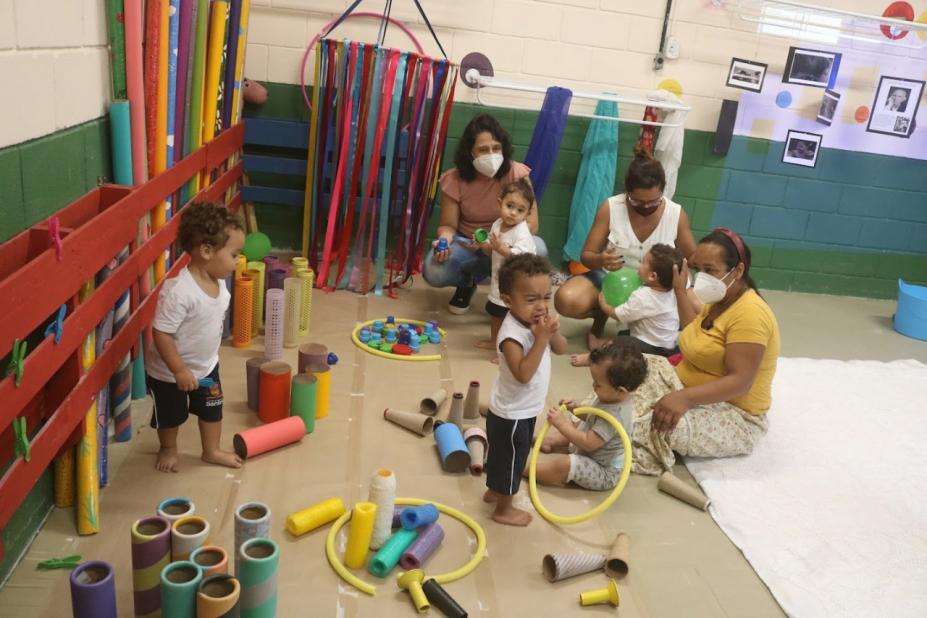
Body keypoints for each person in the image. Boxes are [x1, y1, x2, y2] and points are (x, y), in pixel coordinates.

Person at [630, 228, 780, 475]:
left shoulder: (751, 314)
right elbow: (694, 334)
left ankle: (590, 445)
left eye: (711, 270)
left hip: (734, 414)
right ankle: (586, 426)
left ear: (739, 271)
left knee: (648, 426)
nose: (702, 277)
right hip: (686, 386)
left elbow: (741, 382)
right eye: (699, 269)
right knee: (624, 372)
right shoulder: (718, 299)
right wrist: (679, 291)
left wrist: (683, 399)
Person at [554, 146, 696, 349]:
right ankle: (602, 316)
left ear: (663, 190)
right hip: (612, 279)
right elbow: (587, 255)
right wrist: (601, 259)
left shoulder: (676, 214)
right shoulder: (611, 207)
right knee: (566, 300)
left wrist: (688, 283)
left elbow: (692, 257)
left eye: (653, 201)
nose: (646, 207)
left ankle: (641, 325)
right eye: (637, 201)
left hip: (657, 287)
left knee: (696, 314)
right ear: (626, 191)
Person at [145, 202, 245, 472]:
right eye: (234, 254)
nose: (238, 260)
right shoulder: (179, 292)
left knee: (213, 409)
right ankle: (168, 448)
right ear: (206, 251)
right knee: (170, 416)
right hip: (170, 373)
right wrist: (179, 370)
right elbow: (161, 333)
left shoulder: (219, 282)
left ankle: (211, 450)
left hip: (207, 366)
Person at [422, 114, 548, 315]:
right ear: (469, 153)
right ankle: (466, 283)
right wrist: (443, 242)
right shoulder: (454, 179)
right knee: (433, 269)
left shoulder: (517, 173)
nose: (491, 154)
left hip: (506, 246)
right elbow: (448, 225)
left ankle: (510, 293)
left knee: (538, 249)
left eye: (496, 148)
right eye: (483, 150)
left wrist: (499, 245)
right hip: (469, 246)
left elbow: (531, 224)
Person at [484, 254, 568, 526]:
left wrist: (551, 333)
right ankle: (503, 509)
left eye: (547, 297)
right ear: (508, 301)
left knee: (504, 456)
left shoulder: (537, 323)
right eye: (531, 300)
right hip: (512, 412)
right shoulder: (511, 335)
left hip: (524, 408)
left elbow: (562, 348)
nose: (541, 306)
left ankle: (495, 490)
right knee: (513, 460)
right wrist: (540, 340)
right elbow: (522, 374)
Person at [531, 340, 645, 491]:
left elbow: (588, 443)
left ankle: (526, 471)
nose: (593, 386)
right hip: (592, 450)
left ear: (621, 390)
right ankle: (549, 441)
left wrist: (561, 424)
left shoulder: (615, 416)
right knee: (579, 426)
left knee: (566, 464)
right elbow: (593, 417)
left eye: (598, 385)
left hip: (603, 470)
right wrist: (576, 408)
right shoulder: (612, 397)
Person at [571, 243, 683, 366]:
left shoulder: (643, 296)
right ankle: (600, 342)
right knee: (625, 334)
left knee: (621, 342)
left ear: (652, 276)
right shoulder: (673, 292)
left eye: (643, 263)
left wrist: (604, 305)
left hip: (652, 349)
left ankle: (592, 358)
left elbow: (619, 315)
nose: (639, 266)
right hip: (669, 347)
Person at [475, 178, 537, 352]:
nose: (513, 213)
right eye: (509, 206)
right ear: (499, 203)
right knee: (495, 313)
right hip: (499, 279)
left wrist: (501, 249)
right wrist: (483, 244)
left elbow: (521, 257)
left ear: (527, 214)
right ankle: (495, 341)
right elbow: (490, 247)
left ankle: (507, 351)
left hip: (516, 284)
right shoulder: (497, 224)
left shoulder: (522, 232)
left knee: (510, 319)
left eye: (520, 210)